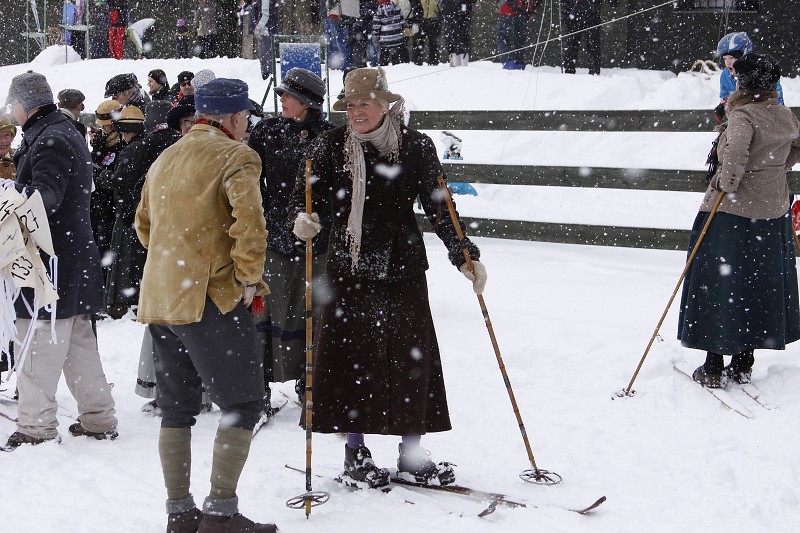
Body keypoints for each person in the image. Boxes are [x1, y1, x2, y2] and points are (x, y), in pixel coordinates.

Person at [287, 67, 487, 488]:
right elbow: (304, 197)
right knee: (349, 360)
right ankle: (355, 453)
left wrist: (463, 251)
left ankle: (411, 454)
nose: (356, 112)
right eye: (350, 105)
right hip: (349, 266)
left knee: (410, 360)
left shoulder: (415, 146)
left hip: (402, 266)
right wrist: (302, 220)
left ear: (385, 104)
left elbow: (440, 204)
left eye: (365, 103)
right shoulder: (331, 145)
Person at [135, 78, 276, 532]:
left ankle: (179, 513)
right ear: (234, 117)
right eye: (246, 118)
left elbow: (143, 227)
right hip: (210, 298)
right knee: (242, 404)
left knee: (176, 409)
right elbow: (250, 227)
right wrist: (248, 278)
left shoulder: (165, 156)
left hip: (162, 298)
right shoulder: (237, 156)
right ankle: (220, 515)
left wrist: (177, 259)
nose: (248, 126)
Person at [1, 71, 118, 451]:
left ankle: (35, 427)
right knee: (78, 344)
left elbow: (44, 198)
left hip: (49, 263)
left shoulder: (50, 138)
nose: (11, 111)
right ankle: (99, 418)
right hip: (72, 258)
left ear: (24, 104)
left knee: (37, 343)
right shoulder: (63, 131)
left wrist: (6, 190)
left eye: (13, 104)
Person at [678, 52, 800, 389]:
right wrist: (775, 168)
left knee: (721, 284)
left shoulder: (743, 116)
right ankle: (744, 361)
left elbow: (733, 159)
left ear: (743, 84)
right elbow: (797, 146)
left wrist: (725, 183)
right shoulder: (784, 114)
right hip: (771, 214)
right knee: (758, 284)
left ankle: (713, 364)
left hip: (731, 214)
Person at [247, 68, 335, 403]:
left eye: (289, 95)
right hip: (274, 237)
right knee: (267, 307)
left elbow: (341, 190)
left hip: (317, 241)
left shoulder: (329, 136)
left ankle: (309, 377)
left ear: (307, 102)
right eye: (281, 93)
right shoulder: (267, 131)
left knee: (312, 309)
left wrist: (321, 218)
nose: (282, 99)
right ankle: (259, 384)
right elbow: (251, 180)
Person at [95, 105, 148, 320]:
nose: (123, 136)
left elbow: (119, 181)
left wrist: (99, 174)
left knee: (125, 259)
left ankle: (123, 302)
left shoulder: (130, 151)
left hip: (127, 212)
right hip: (142, 212)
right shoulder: (148, 145)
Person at [714, 31, 785, 123]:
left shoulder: (761, 72)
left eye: (731, 58)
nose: (727, 63)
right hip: (741, 119)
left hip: (766, 117)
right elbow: (725, 96)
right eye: (724, 58)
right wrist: (723, 106)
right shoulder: (725, 76)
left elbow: (776, 98)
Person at [90, 99, 123, 274]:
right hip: (99, 204)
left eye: (107, 124)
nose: (104, 128)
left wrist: (99, 173)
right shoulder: (101, 141)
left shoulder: (122, 143)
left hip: (112, 205)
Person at [561, 0, 618, 75]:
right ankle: (569, 73)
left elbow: (614, 3)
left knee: (593, 46)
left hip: (592, 17)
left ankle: (594, 73)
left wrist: (614, 2)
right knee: (572, 46)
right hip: (575, 17)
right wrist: (564, 14)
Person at [497, 0, 536, 70]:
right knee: (519, 39)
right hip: (523, 12)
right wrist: (532, 11)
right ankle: (520, 63)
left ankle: (507, 62)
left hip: (507, 10)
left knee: (502, 37)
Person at [441, 0, 476, 67]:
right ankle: (454, 63)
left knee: (463, 40)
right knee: (451, 41)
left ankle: (463, 64)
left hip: (463, 16)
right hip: (450, 14)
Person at [373, 0, 405, 66]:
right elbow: (402, 23)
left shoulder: (379, 11)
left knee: (384, 61)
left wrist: (376, 37)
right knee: (397, 62)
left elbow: (376, 27)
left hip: (385, 40)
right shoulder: (397, 8)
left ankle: (384, 69)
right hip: (397, 39)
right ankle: (397, 69)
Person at [408, 0, 441, 66]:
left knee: (434, 43)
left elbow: (441, 6)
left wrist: (439, 16)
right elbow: (413, 5)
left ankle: (433, 63)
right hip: (421, 21)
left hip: (434, 20)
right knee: (418, 43)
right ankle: (417, 63)